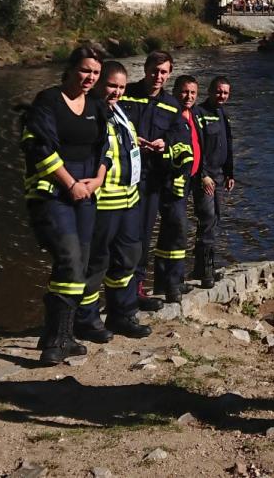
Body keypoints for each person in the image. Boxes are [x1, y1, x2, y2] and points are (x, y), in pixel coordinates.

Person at [19, 47, 107, 365]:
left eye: (95, 73)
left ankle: (62, 334)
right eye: (85, 71)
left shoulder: (97, 105)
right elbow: (38, 148)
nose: (90, 78)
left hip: (86, 192)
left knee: (79, 264)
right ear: (69, 69)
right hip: (54, 193)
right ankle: (55, 340)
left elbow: (104, 149)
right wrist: (70, 183)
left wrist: (96, 181)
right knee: (68, 258)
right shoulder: (48, 101)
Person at [73, 61, 151, 343]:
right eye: (111, 86)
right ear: (98, 84)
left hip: (129, 199)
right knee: (96, 263)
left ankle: (122, 314)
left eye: (121, 87)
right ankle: (86, 320)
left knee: (128, 259)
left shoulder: (118, 112)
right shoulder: (91, 113)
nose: (116, 91)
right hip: (104, 202)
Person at [118, 52, 192, 307]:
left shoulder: (172, 105)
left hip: (151, 181)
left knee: (142, 235)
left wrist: (166, 143)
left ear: (169, 74)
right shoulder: (124, 94)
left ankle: (137, 288)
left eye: (163, 72)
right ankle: (115, 292)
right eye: (154, 71)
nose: (158, 76)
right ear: (145, 69)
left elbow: (181, 138)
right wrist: (129, 138)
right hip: (122, 177)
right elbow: (106, 120)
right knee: (116, 236)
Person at [193, 76, 237, 289]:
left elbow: (228, 145)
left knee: (216, 218)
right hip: (206, 177)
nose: (222, 96)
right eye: (218, 91)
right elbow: (196, 147)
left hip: (220, 176)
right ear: (209, 91)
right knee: (207, 218)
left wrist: (230, 174)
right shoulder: (198, 114)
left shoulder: (223, 114)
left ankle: (206, 264)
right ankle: (203, 270)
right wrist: (202, 175)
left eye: (225, 93)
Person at [164, 75, 204, 297]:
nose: (188, 97)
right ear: (175, 91)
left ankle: (173, 279)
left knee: (177, 230)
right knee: (177, 230)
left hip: (192, 179)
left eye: (192, 93)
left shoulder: (195, 114)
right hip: (175, 181)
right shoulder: (171, 114)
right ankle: (171, 282)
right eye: (184, 92)